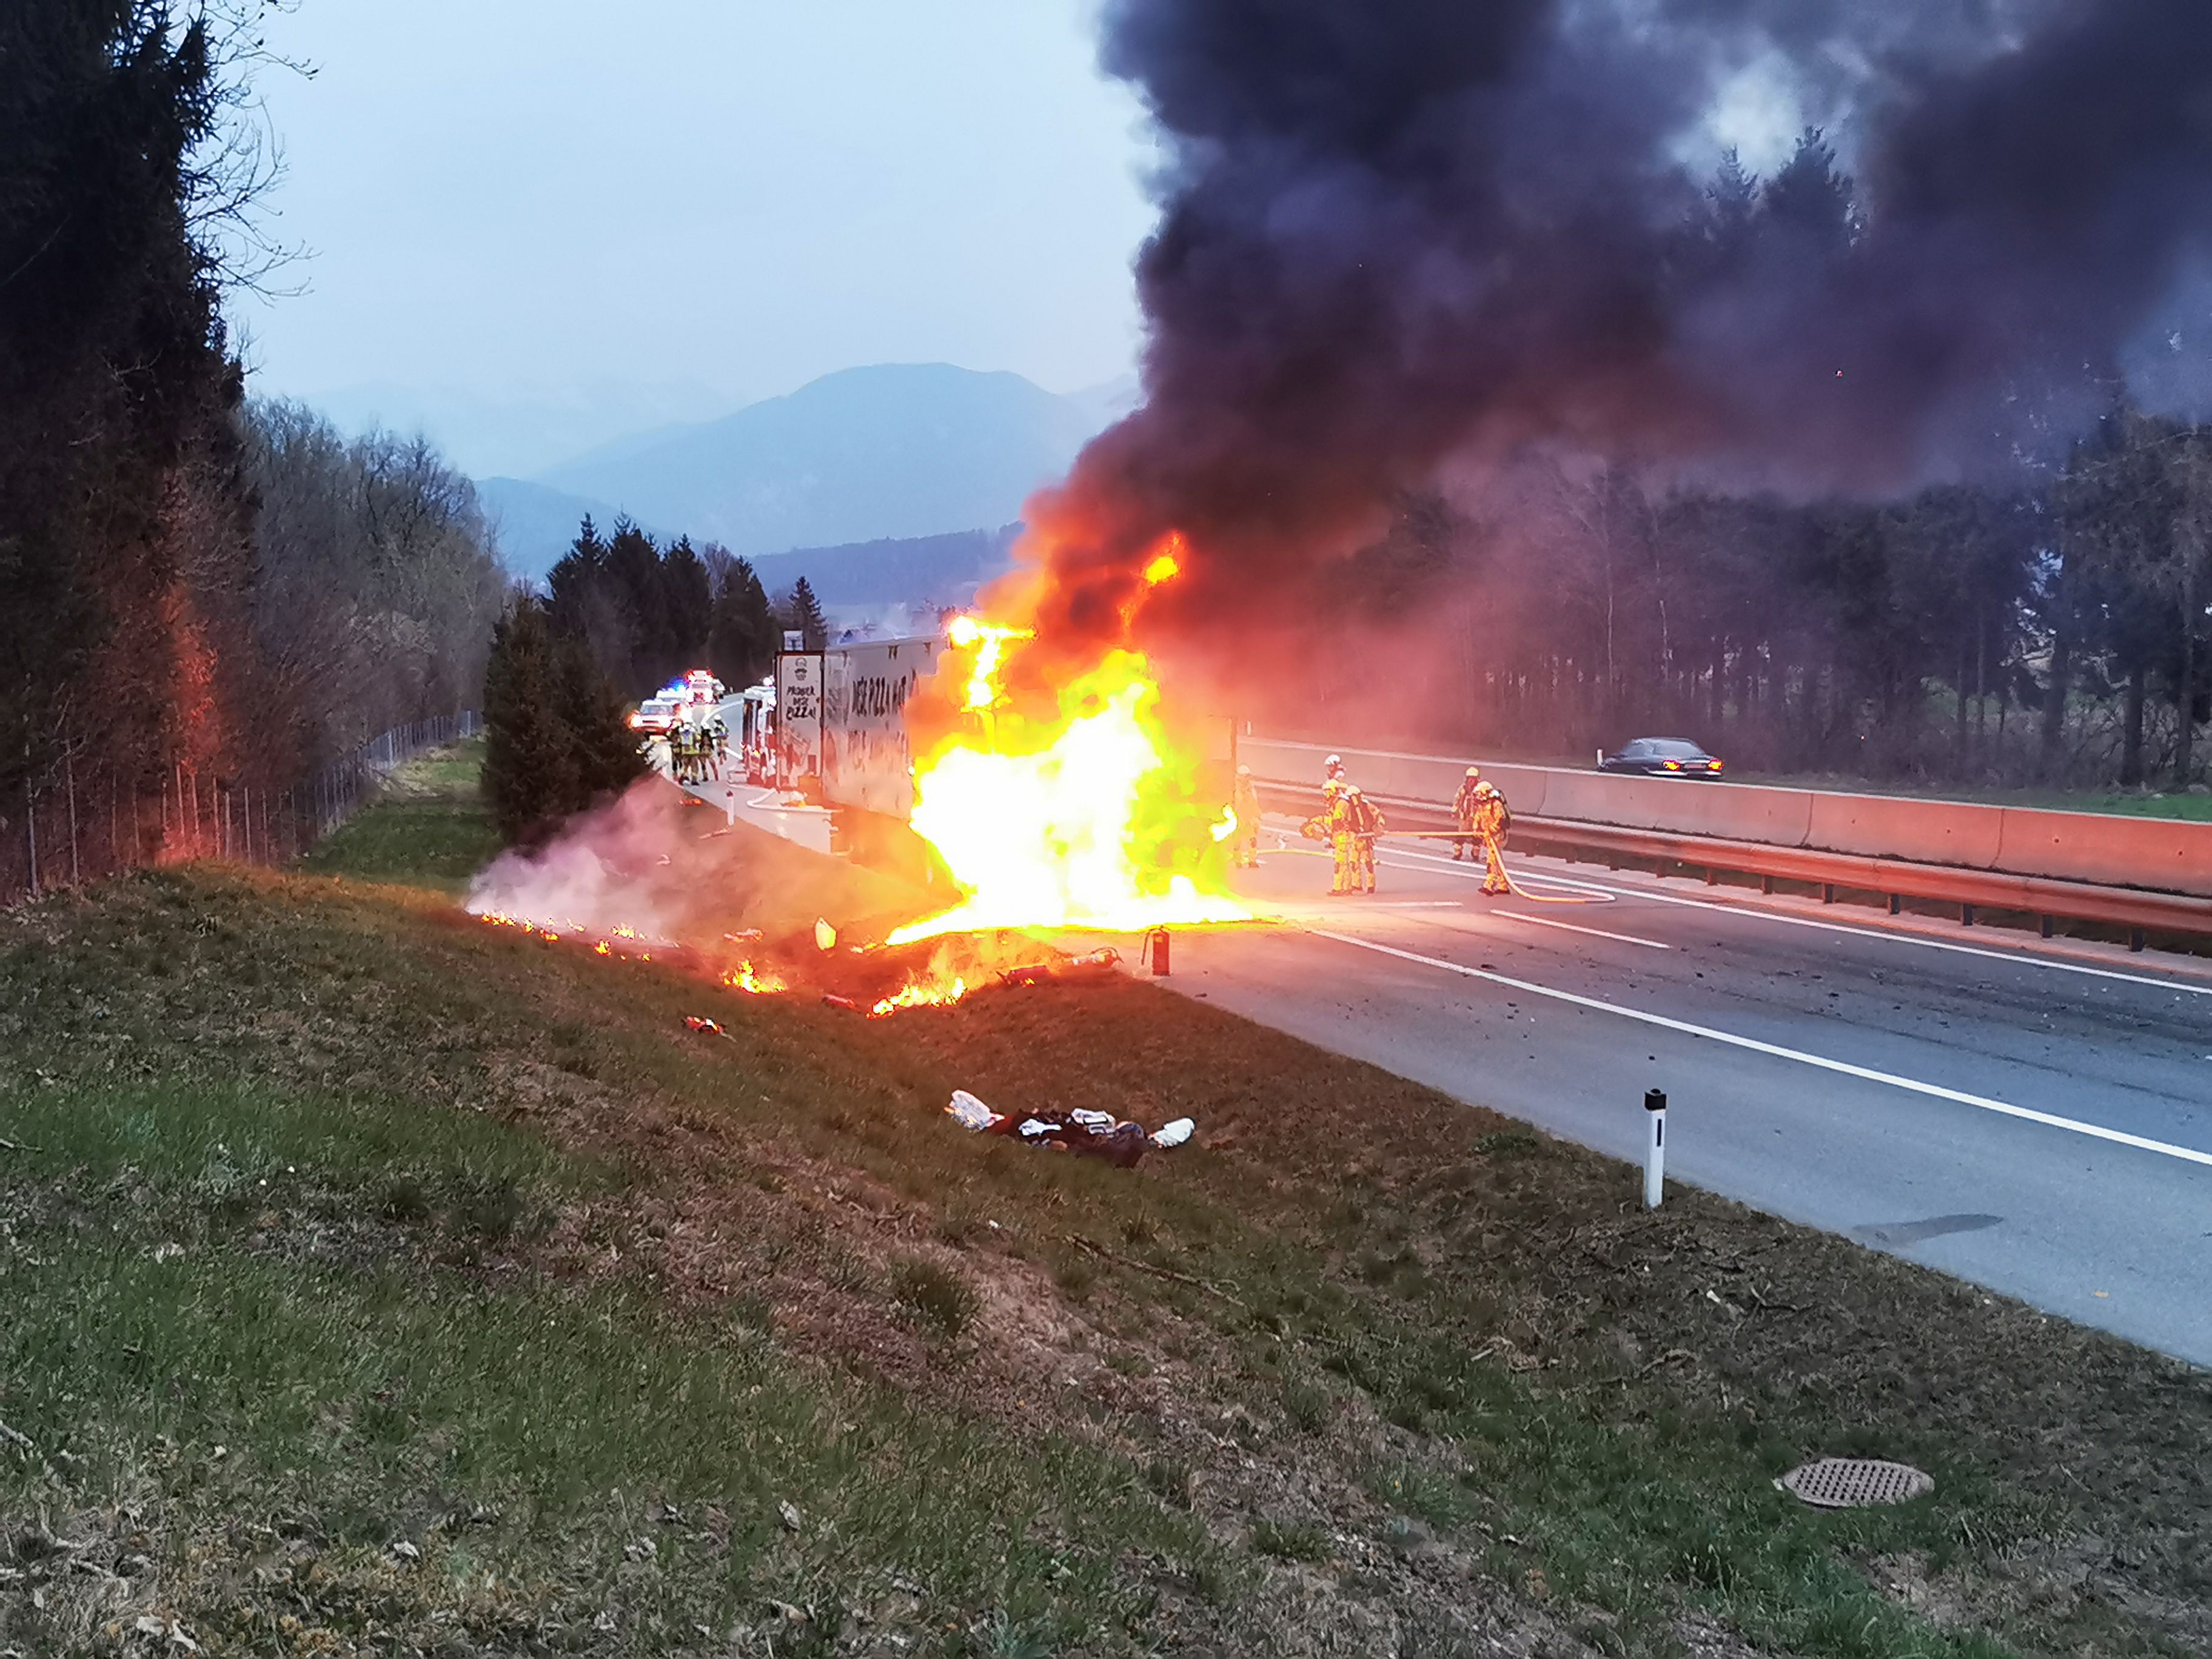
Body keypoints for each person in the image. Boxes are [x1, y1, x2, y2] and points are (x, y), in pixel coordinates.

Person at [1471, 777, 1512, 895]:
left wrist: (1490, 831)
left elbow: (1500, 820)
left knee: (1492, 860)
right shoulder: (1482, 805)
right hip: (1489, 836)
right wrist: (1476, 830)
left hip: (1498, 836)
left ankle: (1489, 885)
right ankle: (1503, 886)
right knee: (1498, 861)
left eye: (1479, 793)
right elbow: (1478, 817)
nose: (1477, 796)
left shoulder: (1496, 804)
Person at [1346, 784, 1385, 893]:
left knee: (1368, 863)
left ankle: (1371, 885)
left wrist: (1378, 827)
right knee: (1354, 863)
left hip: (1366, 839)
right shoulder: (1348, 807)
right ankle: (1356, 884)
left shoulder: (1367, 806)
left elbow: (1378, 816)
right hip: (1354, 838)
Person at [1232, 764, 1262, 868]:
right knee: (1237, 842)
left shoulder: (1250, 788)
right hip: (1237, 818)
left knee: (1253, 840)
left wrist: (1257, 816)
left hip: (1248, 818)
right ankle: (1237, 861)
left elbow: (1254, 802)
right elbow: (1235, 803)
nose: (1247, 779)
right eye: (1245, 776)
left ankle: (1252, 861)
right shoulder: (1234, 788)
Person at [1452, 766, 1483, 862]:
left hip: (1477, 818)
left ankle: (1475, 854)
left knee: (1477, 838)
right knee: (1460, 837)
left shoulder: (1480, 790)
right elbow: (1457, 801)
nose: (1471, 781)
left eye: (1473, 778)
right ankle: (1457, 854)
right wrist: (1454, 812)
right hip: (1465, 818)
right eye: (1470, 778)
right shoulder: (1463, 789)